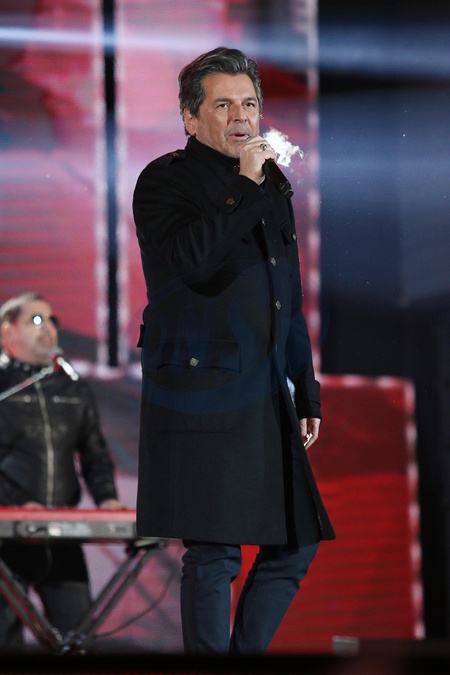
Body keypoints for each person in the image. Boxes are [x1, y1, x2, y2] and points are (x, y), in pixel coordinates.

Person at [133, 46, 335, 655]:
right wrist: (244, 184)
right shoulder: (164, 179)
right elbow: (192, 262)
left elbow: (286, 292)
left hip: (267, 387)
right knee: (215, 548)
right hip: (202, 387)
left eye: (248, 103)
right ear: (190, 118)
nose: (241, 116)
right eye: (223, 105)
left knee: (295, 542)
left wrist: (306, 387)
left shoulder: (272, 185)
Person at [0, 291, 124, 649]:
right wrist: (15, 503)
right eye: (36, 320)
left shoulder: (74, 388)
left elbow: (95, 452)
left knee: (78, 641)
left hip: (62, 535)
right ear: (8, 330)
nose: (48, 328)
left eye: (52, 320)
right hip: (6, 540)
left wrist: (107, 499)